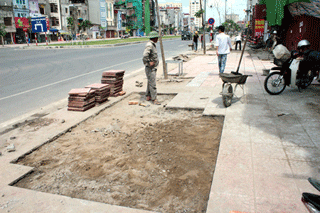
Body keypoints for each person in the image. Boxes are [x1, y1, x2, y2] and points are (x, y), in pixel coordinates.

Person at [142, 31, 160, 105]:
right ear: (155, 38)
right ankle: (154, 99)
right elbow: (145, 56)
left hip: (152, 67)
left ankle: (148, 95)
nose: (158, 39)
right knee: (153, 84)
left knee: (150, 82)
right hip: (150, 68)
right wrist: (149, 62)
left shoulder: (152, 45)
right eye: (157, 37)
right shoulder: (150, 45)